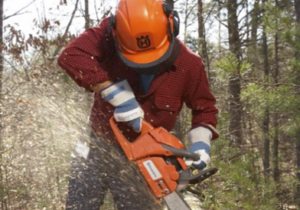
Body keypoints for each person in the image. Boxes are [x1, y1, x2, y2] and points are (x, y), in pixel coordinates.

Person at [57, 0, 219, 209]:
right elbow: (71, 56)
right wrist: (117, 94)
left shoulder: (189, 64)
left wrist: (201, 144)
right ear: (116, 33)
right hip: (95, 143)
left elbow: (204, 109)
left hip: (146, 158)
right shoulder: (109, 32)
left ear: (172, 26)